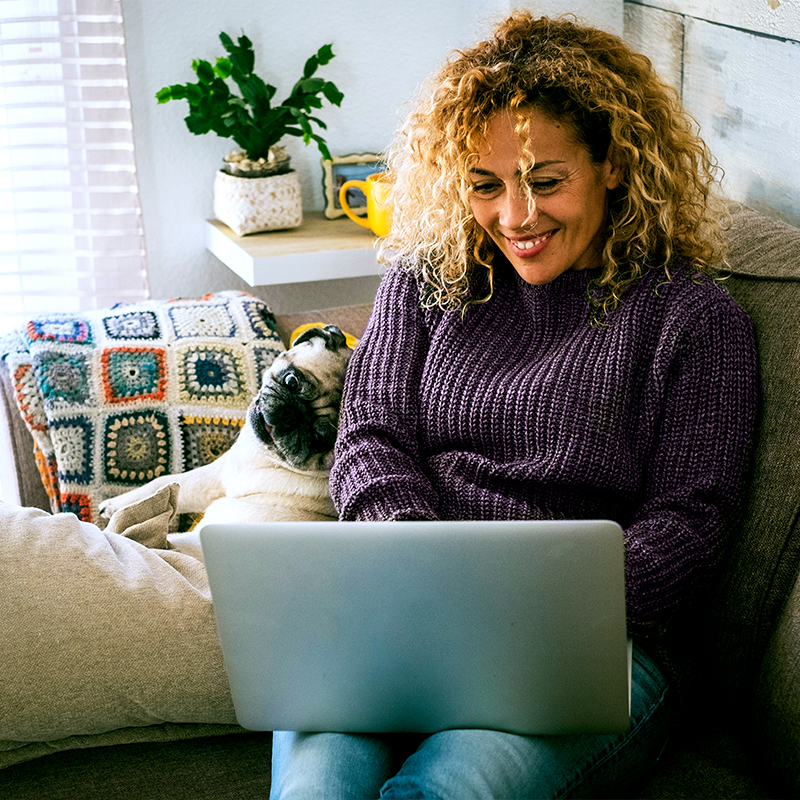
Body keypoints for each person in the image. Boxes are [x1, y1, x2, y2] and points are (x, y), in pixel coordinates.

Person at [270, 11, 759, 799]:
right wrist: (424, 567)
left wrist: (530, 614)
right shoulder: (426, 280)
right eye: (485, 185)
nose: (515, 218)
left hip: (595, 646)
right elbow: (370, 437)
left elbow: (690, 523)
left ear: (612, 163)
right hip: (409, 610)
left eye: (545, 181)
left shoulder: (693, 320)